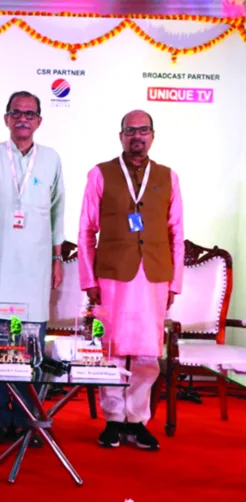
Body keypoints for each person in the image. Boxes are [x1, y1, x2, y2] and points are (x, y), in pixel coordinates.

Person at [78, 110, 184, 451]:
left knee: (146, 353)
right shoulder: (100, 174)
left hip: (154, 277)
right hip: (110, 276)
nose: (136, 136)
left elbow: (176, 233)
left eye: (143, 130)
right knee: (111, 348)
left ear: (153, 135)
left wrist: (175, 283)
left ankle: (137, 420)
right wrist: (87, 280)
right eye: (129, 130)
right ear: (120, 135)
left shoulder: (168, 177)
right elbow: (85, 230)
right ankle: (112, 419)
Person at [0, 91, 65, 446]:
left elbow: (58, 214)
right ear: (6, 119)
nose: (22, 118)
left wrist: (57, 260)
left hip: (36, 269)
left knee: (31, 349)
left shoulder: (51, 159)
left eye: (29, 113)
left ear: (39, 120)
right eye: (15, 113)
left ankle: (28, 419)